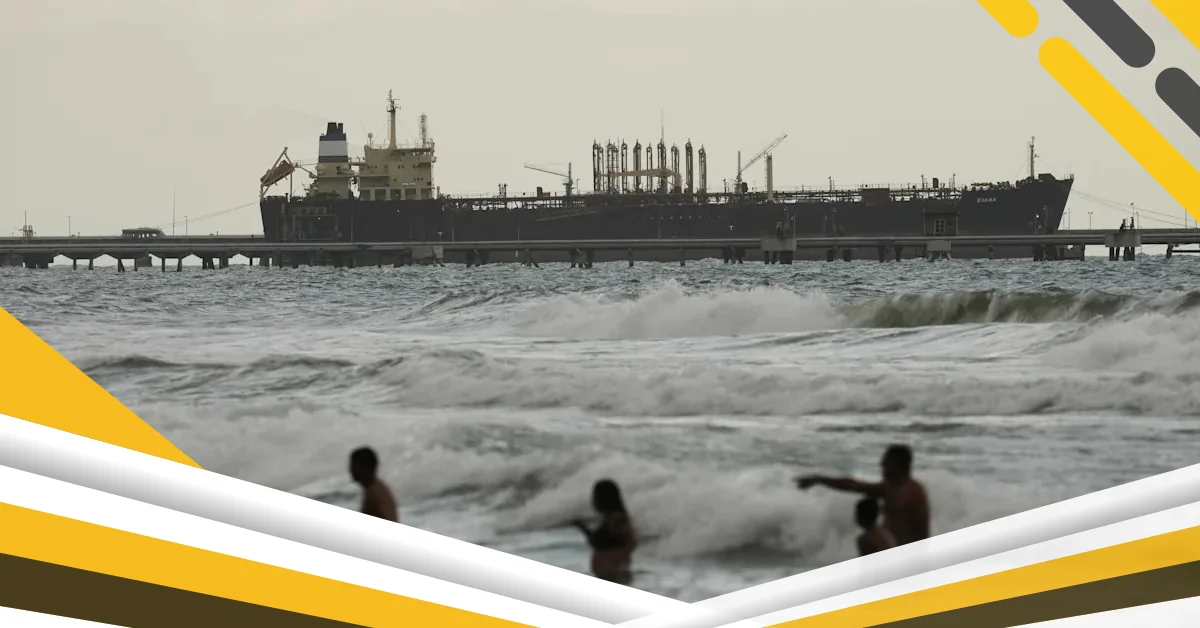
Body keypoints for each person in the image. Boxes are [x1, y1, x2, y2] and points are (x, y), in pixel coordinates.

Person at [795, 444, 930, 546]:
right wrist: (819, 480)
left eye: (886, 461)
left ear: (898, 465)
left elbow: (923, 536)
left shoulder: (914, 493)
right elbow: (853, 485)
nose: (882, 464)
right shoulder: (890, 488)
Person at [572, 479, 637, 584]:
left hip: (613, 573)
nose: (593, 500)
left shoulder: (617, 519)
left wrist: (619, 559)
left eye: (596, 497)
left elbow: (631, 542)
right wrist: (582, 527)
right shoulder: (609, 518)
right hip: (608, 573)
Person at [349, 446, 399, 523]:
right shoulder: (379, 488)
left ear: (365, 467)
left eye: (353, 465)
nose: (350, 469)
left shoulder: (373, 494)